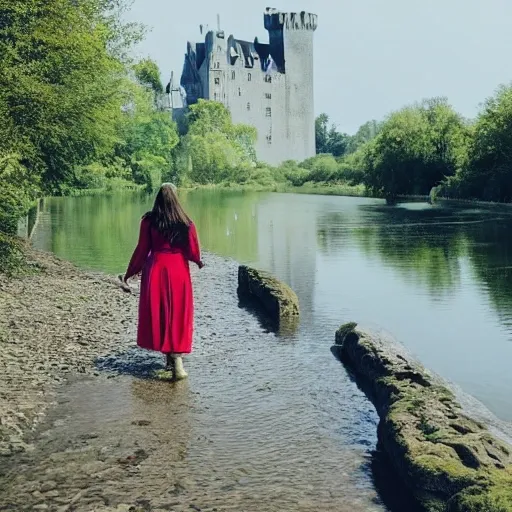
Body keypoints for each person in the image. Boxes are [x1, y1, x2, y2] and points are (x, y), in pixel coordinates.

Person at [120, 183, 204, 380]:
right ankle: (176, 360)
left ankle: (172, 359)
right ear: (176, 198)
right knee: (177, 312)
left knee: (161, 311)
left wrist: (131, 271)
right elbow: (192, 251)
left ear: (157, 198)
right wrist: (198, 261)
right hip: (178, 270)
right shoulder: (186, 222)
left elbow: (142, 249)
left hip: (156, 268)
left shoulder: (149, 221)